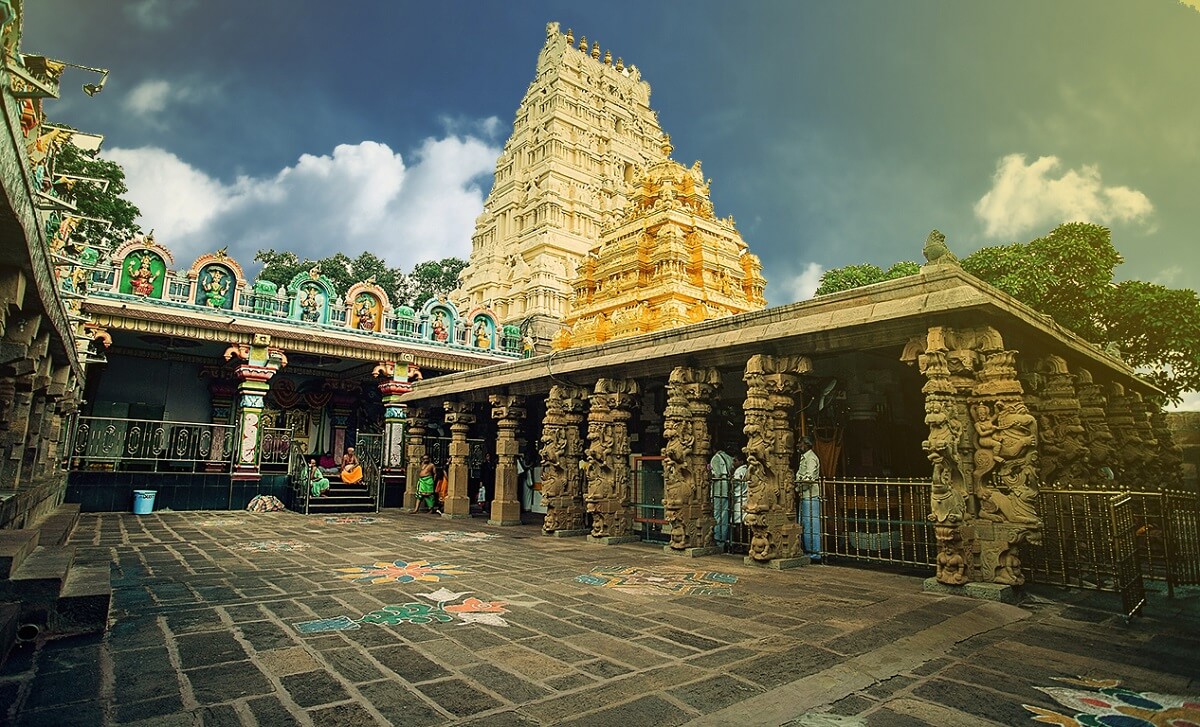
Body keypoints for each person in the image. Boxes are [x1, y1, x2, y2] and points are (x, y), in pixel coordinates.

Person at [795, 436, 822, 562]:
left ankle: (814, 552)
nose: (798, 446)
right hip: (805, 495)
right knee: (805, 524)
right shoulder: (804, 458)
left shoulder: (810, 458)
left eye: (800, 444)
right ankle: (808, 550)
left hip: (810, 495)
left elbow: (809, 477)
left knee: (811, 524)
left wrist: (798, 486)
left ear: (806, 445)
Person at [710, 446, 735, 545]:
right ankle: (723, 539)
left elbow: (716, 474)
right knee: (724, 515)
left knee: (718, 515)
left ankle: (718, 539)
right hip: (726, 488)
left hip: (719, 489)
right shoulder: (729, 457)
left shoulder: (715, 458)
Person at [731, 454, 748, 535]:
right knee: (745, 521)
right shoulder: (747, 470)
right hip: (745, 497)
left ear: (741, 461)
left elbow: (735, 483)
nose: (733, 463)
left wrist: (731, 481)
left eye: (735, 461)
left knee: (738, 522)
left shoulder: (739, 471)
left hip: (739, 498)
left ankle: (740, 543)